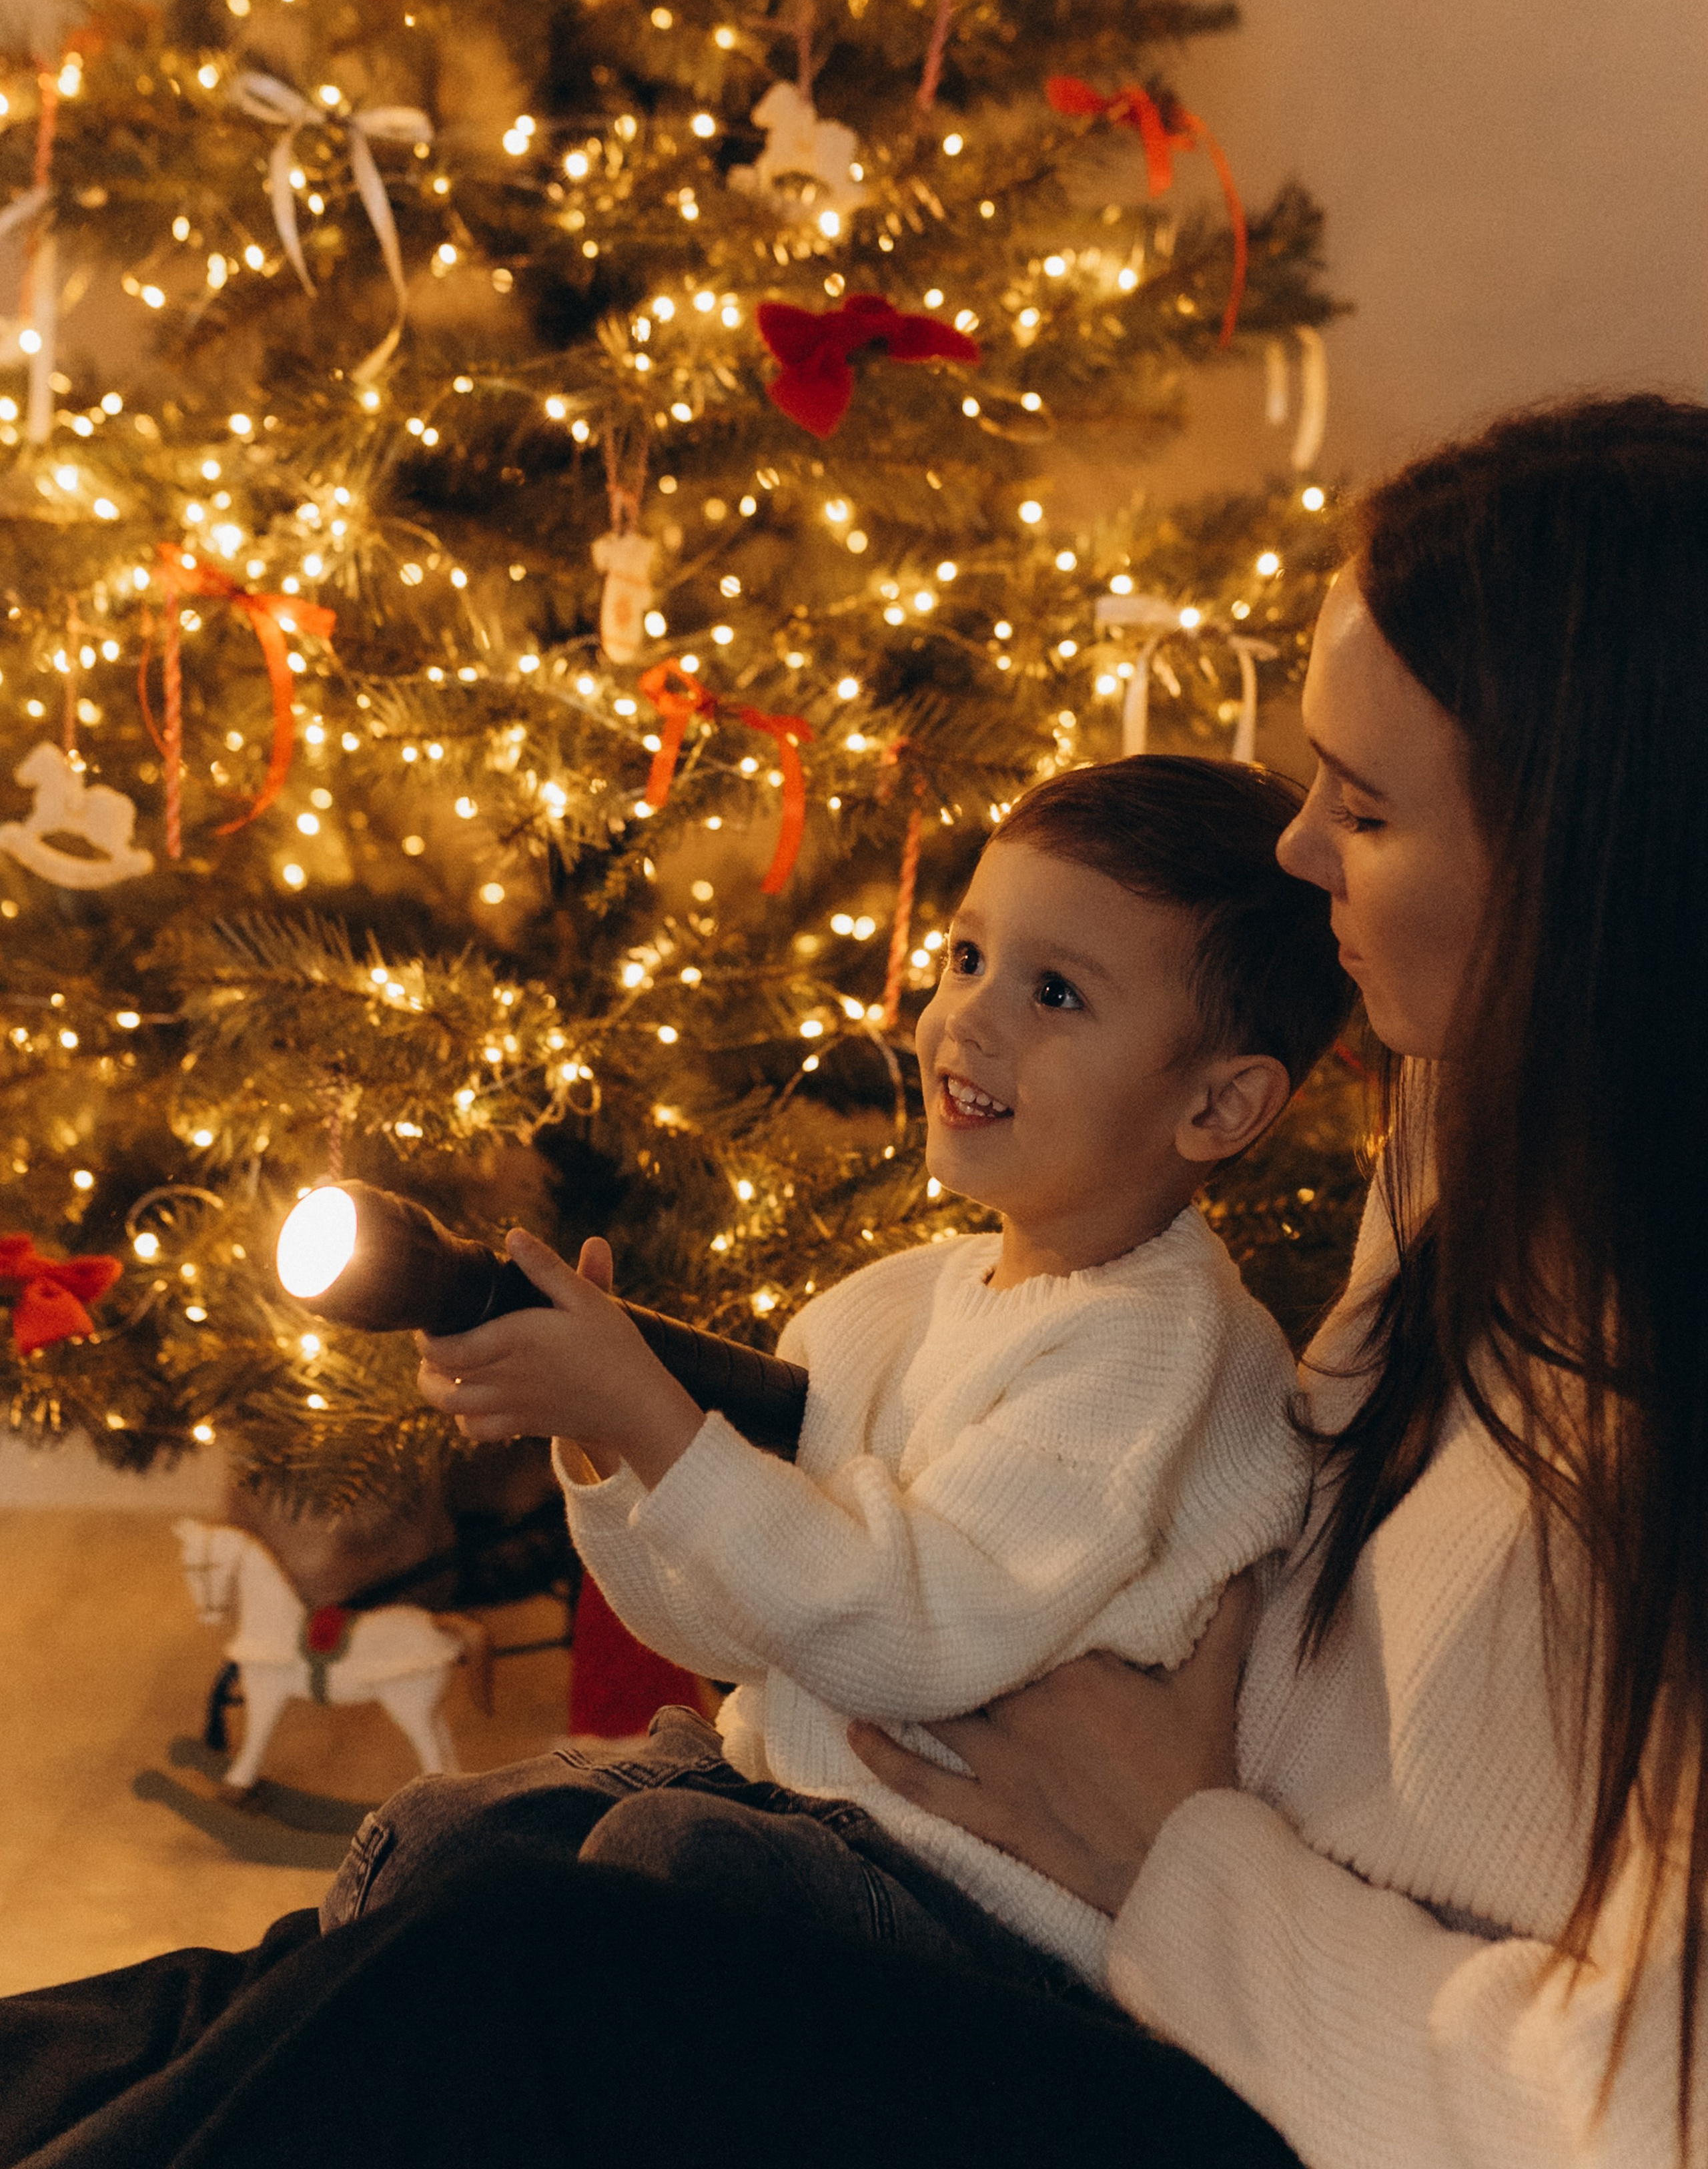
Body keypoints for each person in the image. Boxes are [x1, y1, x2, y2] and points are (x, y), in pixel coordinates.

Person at [3, 391, 1702, 2169]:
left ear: (1596, 862)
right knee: (284, 1982)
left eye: (1361, 808)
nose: (1297, 853)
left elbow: (1632, 2122)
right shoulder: (1480, 1129)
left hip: (1257, 2059)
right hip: (1127, 1898)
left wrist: (1178, 1860)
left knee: (524, 1970)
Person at [324, 754, 1351, 2001]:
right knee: (444, 1837)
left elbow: (909, 1636)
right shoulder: (893, 1306)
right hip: (797, 1808)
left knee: (661, 1863)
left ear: (1219, 1105)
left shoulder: (1159, 1347)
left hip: (979, 1915)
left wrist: (650, 1414)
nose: (968, 1020)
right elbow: (731, 1627)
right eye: (967, 958)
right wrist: (609, 1447)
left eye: (1056, 994)